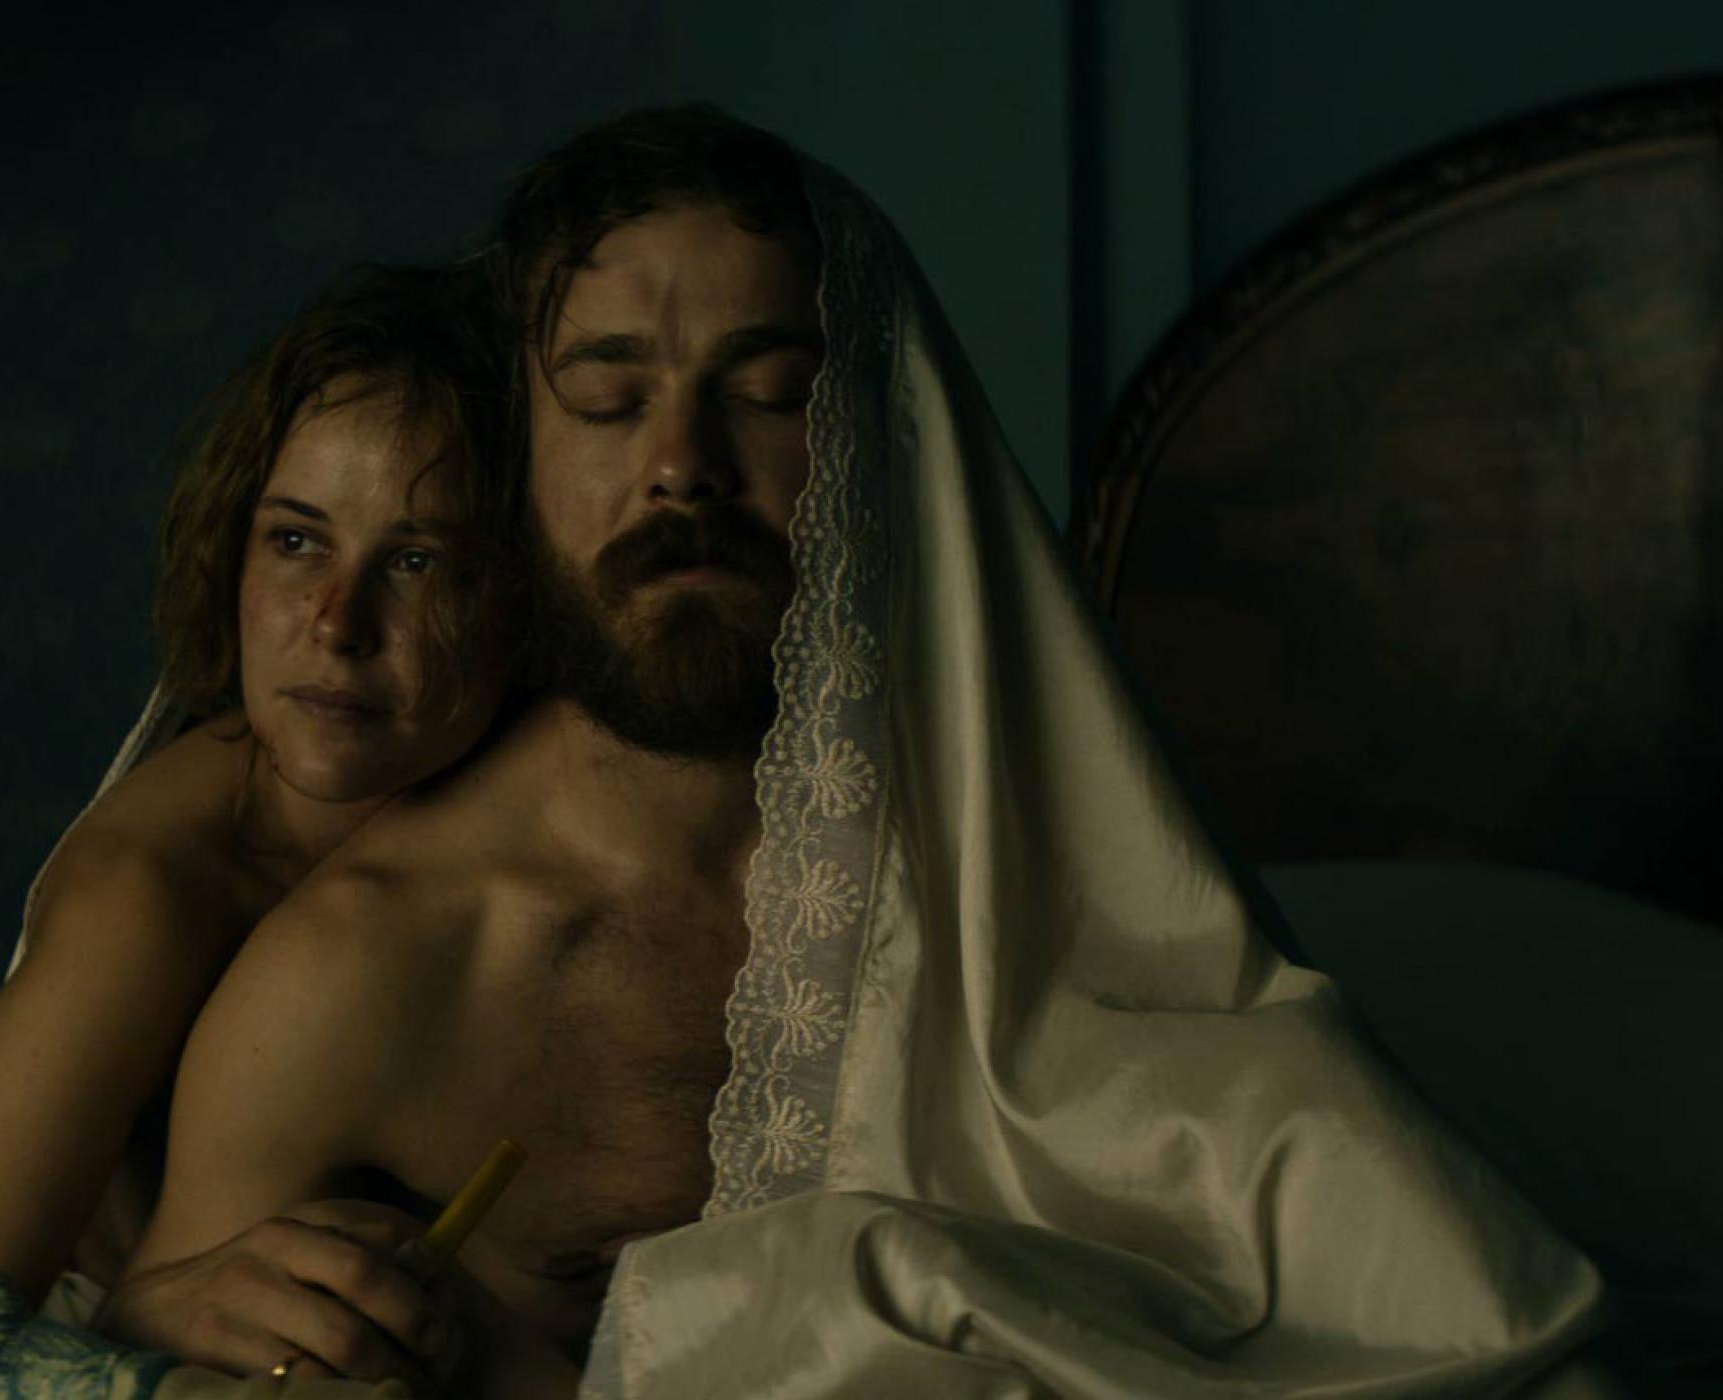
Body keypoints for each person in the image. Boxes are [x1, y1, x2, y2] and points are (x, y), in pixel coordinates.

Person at [102, 106, 1612, 1398]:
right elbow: (147, 1347)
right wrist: (160, 1318)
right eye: (610, 401)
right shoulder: (362, 972)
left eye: (768, 393)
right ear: (520, 459)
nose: (684, 465)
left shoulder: (1038, 865)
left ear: (883, 438)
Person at [0, 263, 521, 1327]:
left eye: (418, 560)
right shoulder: (150, 893)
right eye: (296, 540)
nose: (336, 623)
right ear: (231, 547)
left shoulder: (533, 807)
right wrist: (147, 1326)